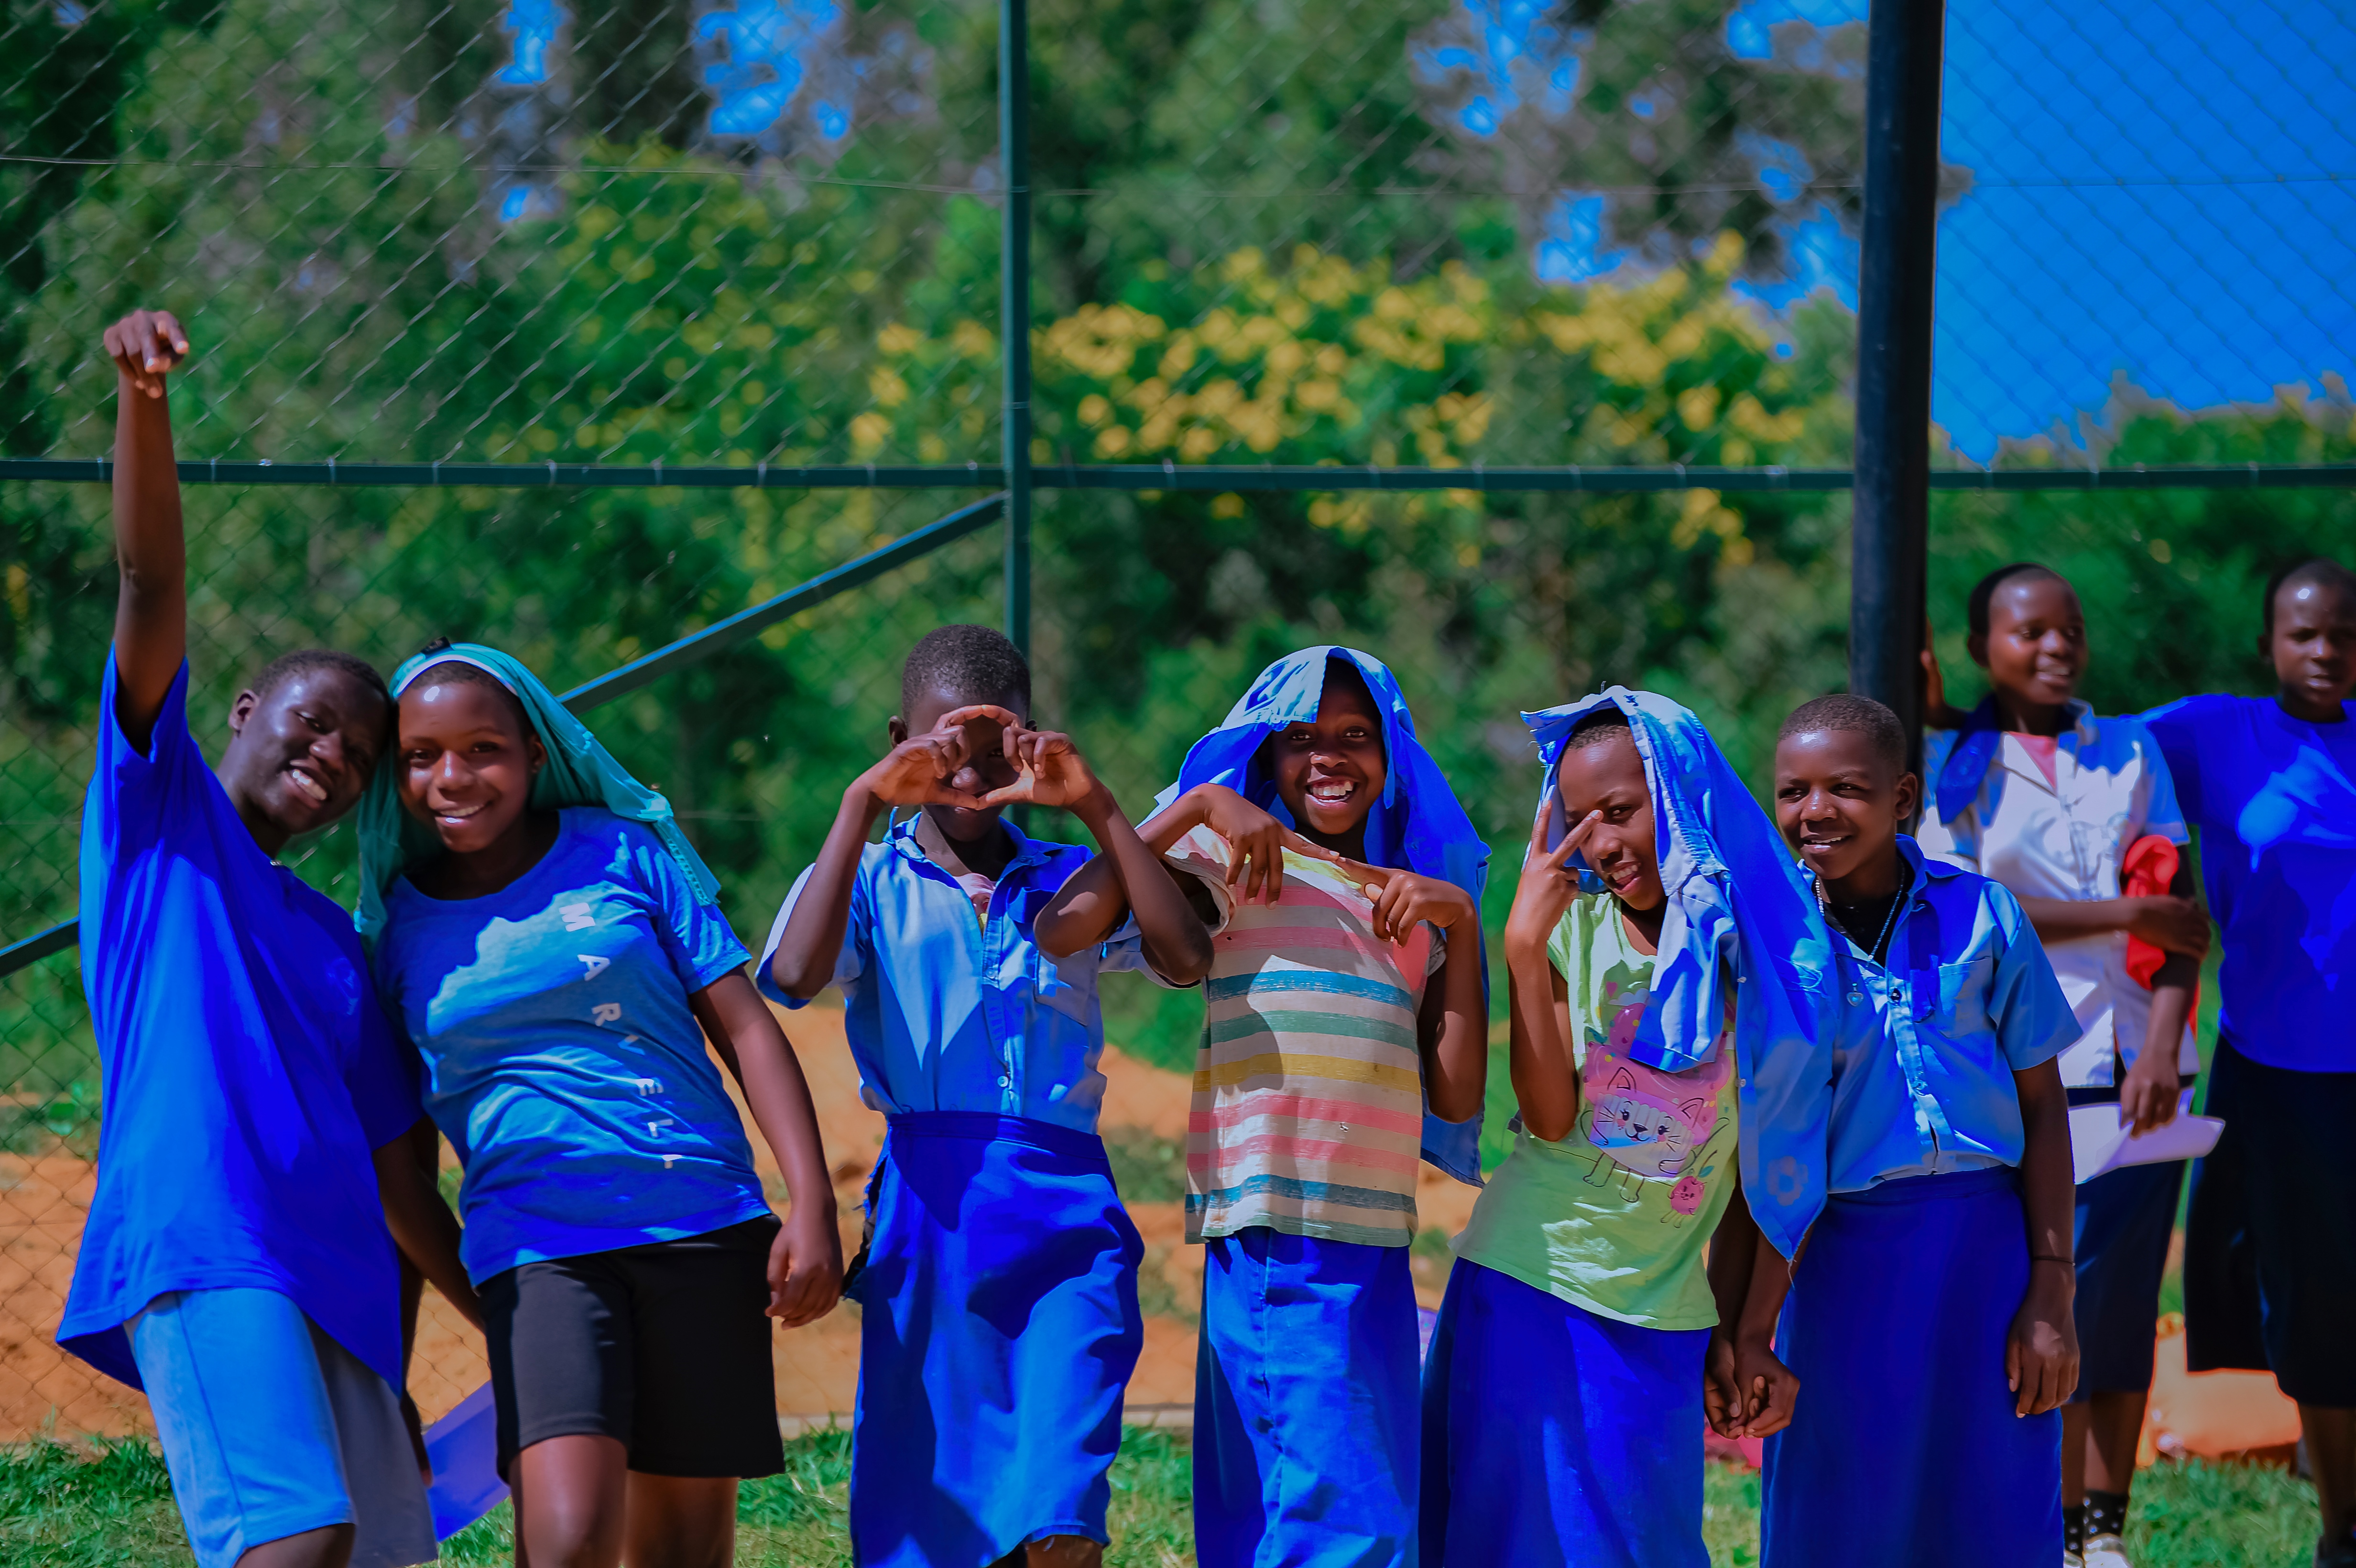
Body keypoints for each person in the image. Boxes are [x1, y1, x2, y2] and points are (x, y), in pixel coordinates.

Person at [62, 309, 476, 1568]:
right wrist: (145, 404)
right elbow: (150, 586)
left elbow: (400, 1184)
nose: (333, 753)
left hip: (339, 1294)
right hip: (209, 1240)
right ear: (245, 710)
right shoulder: (159, 820)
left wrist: (491, 1331)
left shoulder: (341, 947)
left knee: (381, 1555)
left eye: (361, 755)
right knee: (296, 1541)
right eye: (313, 722)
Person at [356, 641, 842, 1568]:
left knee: (685, 1553)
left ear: (536, 753)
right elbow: (401, 1168)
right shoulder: (391, 928)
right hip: (536, 1246)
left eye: (483, 748)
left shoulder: (624, 849)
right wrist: (480, 1300)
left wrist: (812, 1203)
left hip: (701, 1220)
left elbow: (746, 1028)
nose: (452, 776)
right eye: (421, 755)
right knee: (568, 1539)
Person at [759, 624, 1213, 1568]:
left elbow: (1184, 955)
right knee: (931, 1513)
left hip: (1066, 1216)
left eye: (992, 757)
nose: (967, 781)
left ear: (1030, 743)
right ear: (899, 741)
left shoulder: (1069, 878)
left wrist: (1097, 806)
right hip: (931, 1221)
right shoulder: (870, 878)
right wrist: (858, 803)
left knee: (1063, 1506)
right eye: (941, 756)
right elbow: (795, 975)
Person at [1040, 646, 1488, 1568]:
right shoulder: (1238, 861)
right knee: (1332, 1506)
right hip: (1281, 1226)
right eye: (1301, 739)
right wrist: (1197, 806)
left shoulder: (1410, 905)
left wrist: (1463, 924)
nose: (1329, 757)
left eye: (1356, 736)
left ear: (1394, 756)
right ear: (1266, 756)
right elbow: (1064, 925)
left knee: (1340, 1487)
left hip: (1373, 1240)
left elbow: (1456, 1090)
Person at [1418, 691, 1837, 1568]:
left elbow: (1774, 1164)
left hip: (1666, 1308)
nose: (1602, 842)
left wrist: (1743, 1328)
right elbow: (1548, 1119)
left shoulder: (1767, 951)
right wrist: (1522, 950)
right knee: (1513, 1541)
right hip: (1533, 1278)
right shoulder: (1573, 929)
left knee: (1642, 1542)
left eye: (1621, 811)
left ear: (1680, 797)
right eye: (1579, 822)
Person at [1747, 693, 2083, 1568]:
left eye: (1846, 788)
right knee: (1844, 1495)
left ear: (1902, 798)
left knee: (1994, 1487)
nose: (1816, 811)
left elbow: (2044, 1107)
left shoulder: (1987, 916)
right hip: (1842, 1252)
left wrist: (2052, 1288)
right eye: (1793, 791)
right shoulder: (1770, 941)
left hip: (1988, 1250)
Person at [1918, 563, 2207, 1568]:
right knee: (2046, 1293)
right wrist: (2125, 914)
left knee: (2122, 1301)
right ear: (1980, 647)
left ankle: (2103, 1525)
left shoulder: (2128, 750)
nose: (2056, 646)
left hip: (2141, 1074)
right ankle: (2043, 1513)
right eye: (2030, 630)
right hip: (2022, 1073)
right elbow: (1968, 904)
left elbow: (2180, 913)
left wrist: (2164, 1044)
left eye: (2071, 628)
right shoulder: (1949, 763)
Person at [2142, 557, 2356, 1568]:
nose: (2326, 651)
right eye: (2305, 633)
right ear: (2267, 643)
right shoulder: (2213, 733)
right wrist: (1946, 710)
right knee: (2313, 1291)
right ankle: (2342, 1528)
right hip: (2280, 1066)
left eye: (2344, 634)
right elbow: (2075, 749)